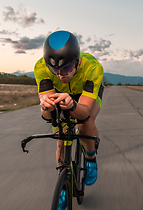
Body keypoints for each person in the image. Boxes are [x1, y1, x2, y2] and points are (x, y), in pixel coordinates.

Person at [34, 30, 104, 186]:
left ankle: (91, 159)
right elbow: (47, 116)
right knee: (60, 136)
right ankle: (63, 183)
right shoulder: (40, 67)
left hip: (85, 93)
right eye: (54, 70)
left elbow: (84, 112)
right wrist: (46, 107)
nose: (60, 75)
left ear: (78, 61)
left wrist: (72, 105)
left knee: (85, 122)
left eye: (66, 68)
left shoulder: (93, 68)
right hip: (60, 93)